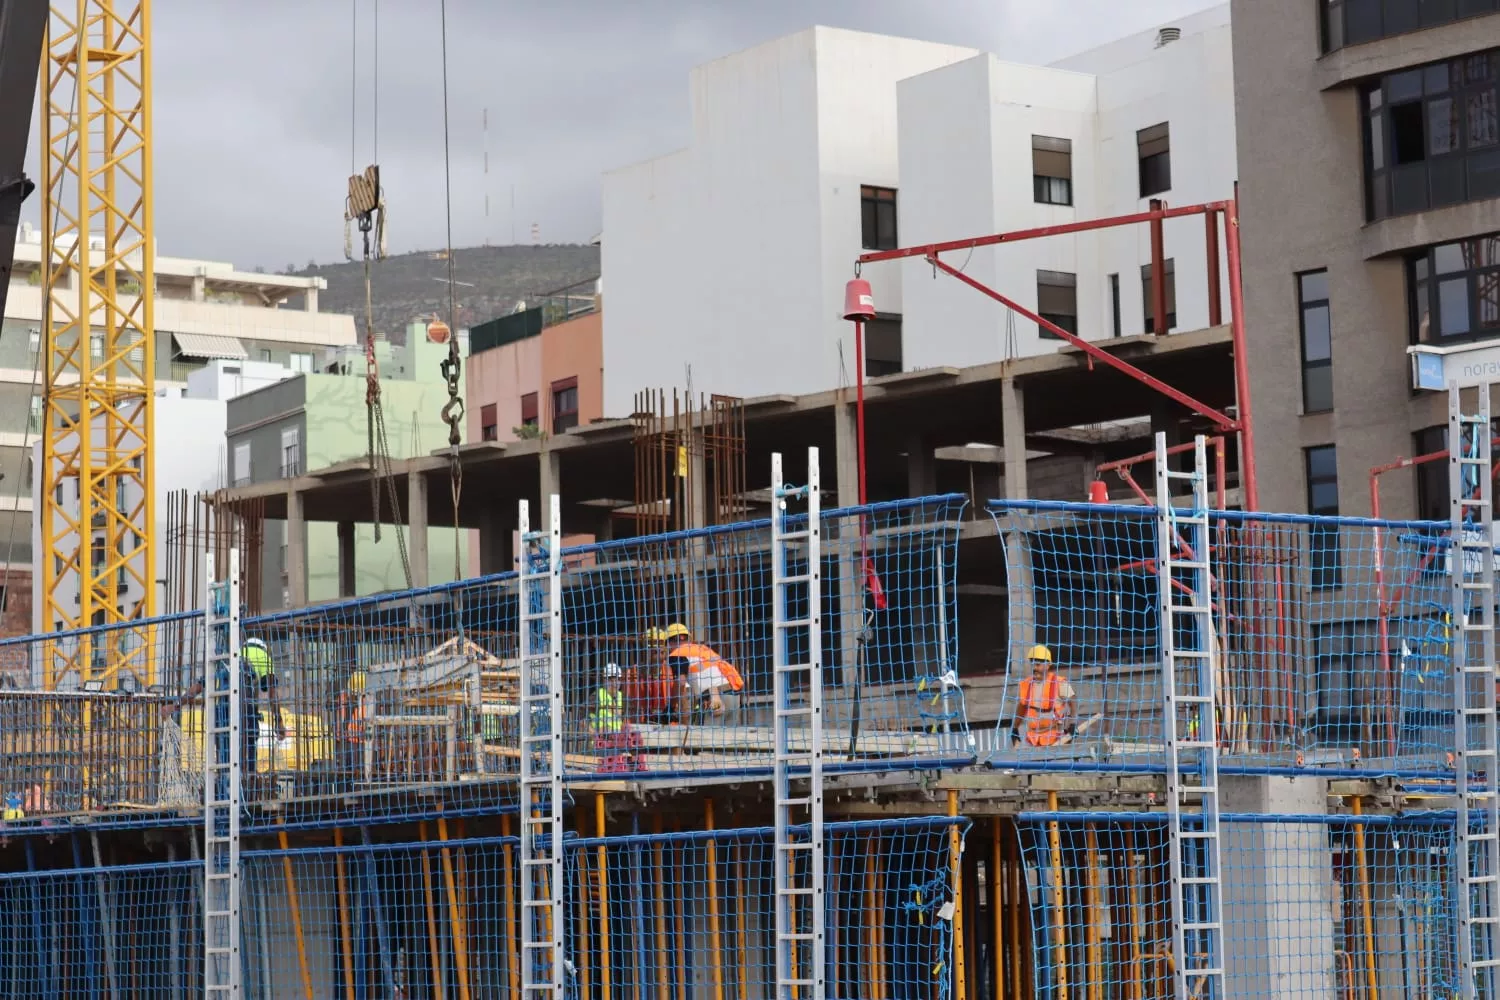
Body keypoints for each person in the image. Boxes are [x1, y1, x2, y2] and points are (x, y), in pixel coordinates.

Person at [164, 636, 284, 778]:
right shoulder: (263, 656)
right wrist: (279, 721)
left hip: (221, 711)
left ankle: (224, 783)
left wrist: (175, 706)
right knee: (248, 755)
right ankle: (247, 782)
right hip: (245, 711)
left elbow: (198, 687)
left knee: (224, 756)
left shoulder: (228, 658)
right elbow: (272, 693)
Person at [662, 623, 744, 724]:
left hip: (713, 698)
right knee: (730, 734)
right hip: (733, 696)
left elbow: (681, 682)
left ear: (669, 643)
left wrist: (671, 707)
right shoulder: (702, 649)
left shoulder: (677, 654)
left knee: (707, 733)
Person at [1010, 644, 1075, 747]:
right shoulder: (1026, 684)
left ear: (1048, 665)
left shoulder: (1060, 683)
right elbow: (1022, 706)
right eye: (1032, 664)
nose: (1034, 668)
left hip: (1057, 740)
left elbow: (1074, 703)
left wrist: (1072, 724)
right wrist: (1015, 728)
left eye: (1038, 664)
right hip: (1033, 741)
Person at [591, 663, 625, 735]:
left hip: (618, 739)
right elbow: (582, 720)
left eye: (617, 680)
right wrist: (595, 734)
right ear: (604, 680)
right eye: (610, 680)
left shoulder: (622, 697)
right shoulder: (597, 696)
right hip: (602, 740)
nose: (614, 683)